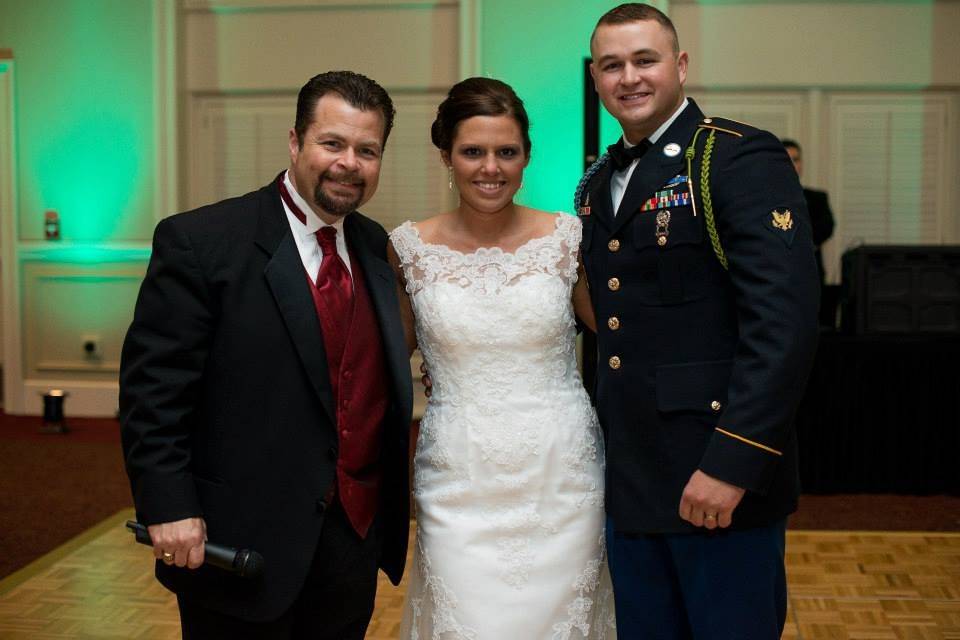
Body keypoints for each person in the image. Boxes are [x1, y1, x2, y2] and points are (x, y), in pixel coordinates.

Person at [119, 70, 412, 639]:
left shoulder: (379, 248)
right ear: (296, 141)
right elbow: (153, 393)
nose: (349, 162)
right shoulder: (202, 242)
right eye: (332, 143)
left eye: (367, 150)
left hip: (350, 548)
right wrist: (168, 506)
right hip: (237, 546)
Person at [576, 4, 820, 639]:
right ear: (597, 79)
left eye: (644, 60)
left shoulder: (736, 159)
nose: (628, 77)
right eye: (611, 65)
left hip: (714, 481)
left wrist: (732, 464)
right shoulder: (600, 180)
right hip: (632, 479)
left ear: (679, 65)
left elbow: (783, 326)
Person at [388, 77, 616, 639]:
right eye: (473, 151)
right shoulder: (407, 248)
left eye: (506, 152)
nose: (490, 167)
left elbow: (624, 333)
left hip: (561, 475)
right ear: (446, 155)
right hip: (458, 478)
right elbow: (381, 359)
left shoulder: (568, 239)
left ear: (525, 157)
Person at [782, 138, 836, 286]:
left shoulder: (818, 198)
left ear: (801, 164)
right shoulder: (764, 200)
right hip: (777, 273)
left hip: (811, 273)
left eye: (796, 159)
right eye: (787, 159)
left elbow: (827, 227)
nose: (792, 164)